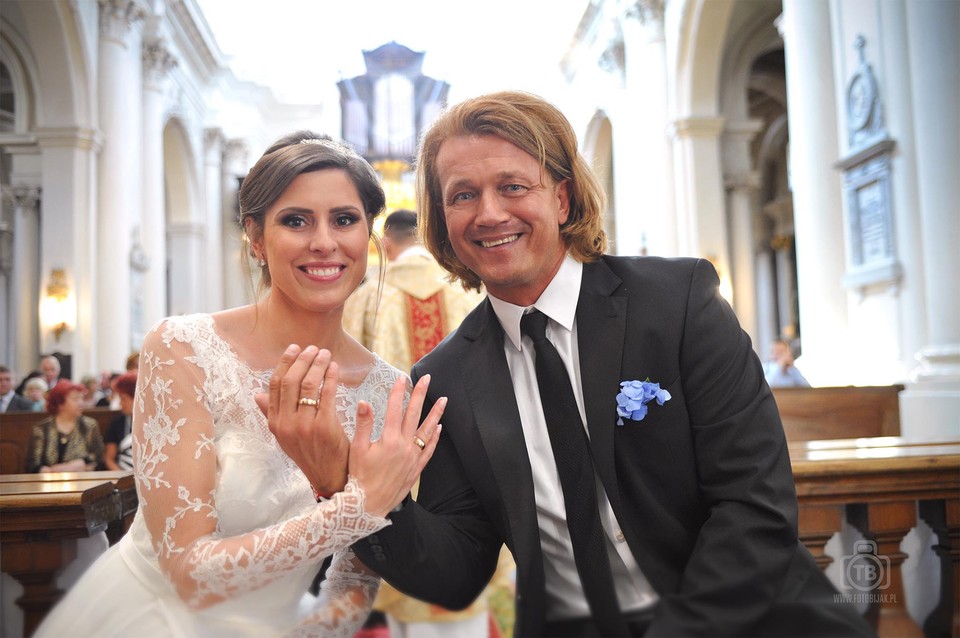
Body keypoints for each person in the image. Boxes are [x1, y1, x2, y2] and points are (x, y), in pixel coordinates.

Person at [302, 91, 868, 636]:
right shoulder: (444, 376)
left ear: (563, 198)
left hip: (747, 618)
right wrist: (350, 491)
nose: (489, 213)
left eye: (513, 186)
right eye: (463, 195)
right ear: (443, 218)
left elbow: (752, 506)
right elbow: (457, 572)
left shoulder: (677, 303)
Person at [33, 131, 444, 638]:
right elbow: (188, 574)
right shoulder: (184, 349)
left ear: (368, 235)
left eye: (344, 219)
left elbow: (356, 577)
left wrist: (312, 632)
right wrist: (360, 508)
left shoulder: (386, 389)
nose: (324, 241)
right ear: (256, 238)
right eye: (296, 221)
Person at [344, 211, 508, 638]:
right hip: (476, 463)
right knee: (470, 575)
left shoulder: (368, 297)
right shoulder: (472, 293)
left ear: (388, 244)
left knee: (405, 583)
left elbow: (346, 390)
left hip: (393, 471)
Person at [344, 209, 484, 374]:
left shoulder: (369, 296)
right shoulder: (467, 289)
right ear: (427, 239)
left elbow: (348, 363)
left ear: (385, 243)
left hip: (391, 391)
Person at [25, 379, 105, 473]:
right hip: (48, 479)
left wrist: (78, 464)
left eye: (81, 398)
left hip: (81, 478)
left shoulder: (89, 425)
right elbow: (32, 464)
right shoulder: (42, 428)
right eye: (75, 399)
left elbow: (98, 455)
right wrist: (50, 472)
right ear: (60, 403)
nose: (81, 403)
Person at [103, 371, 137, 471]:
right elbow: (109, 459)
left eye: (124, 399)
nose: (120, 403)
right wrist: (122, 477)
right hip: (123, 475)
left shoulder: (153, 422)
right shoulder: (117, 423)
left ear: (137, 398)